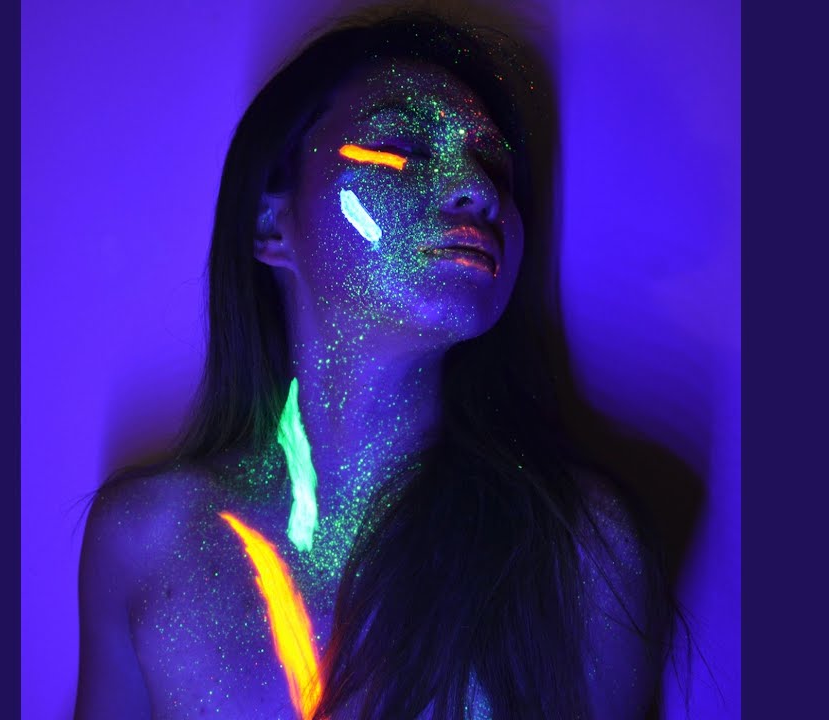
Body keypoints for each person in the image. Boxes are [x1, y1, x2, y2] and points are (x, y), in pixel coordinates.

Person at [76, 10, 679, 720]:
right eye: (401, 148)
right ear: (272, 223)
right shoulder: (147, 540)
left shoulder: (581, 546)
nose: (479, 189)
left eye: (495, 165)